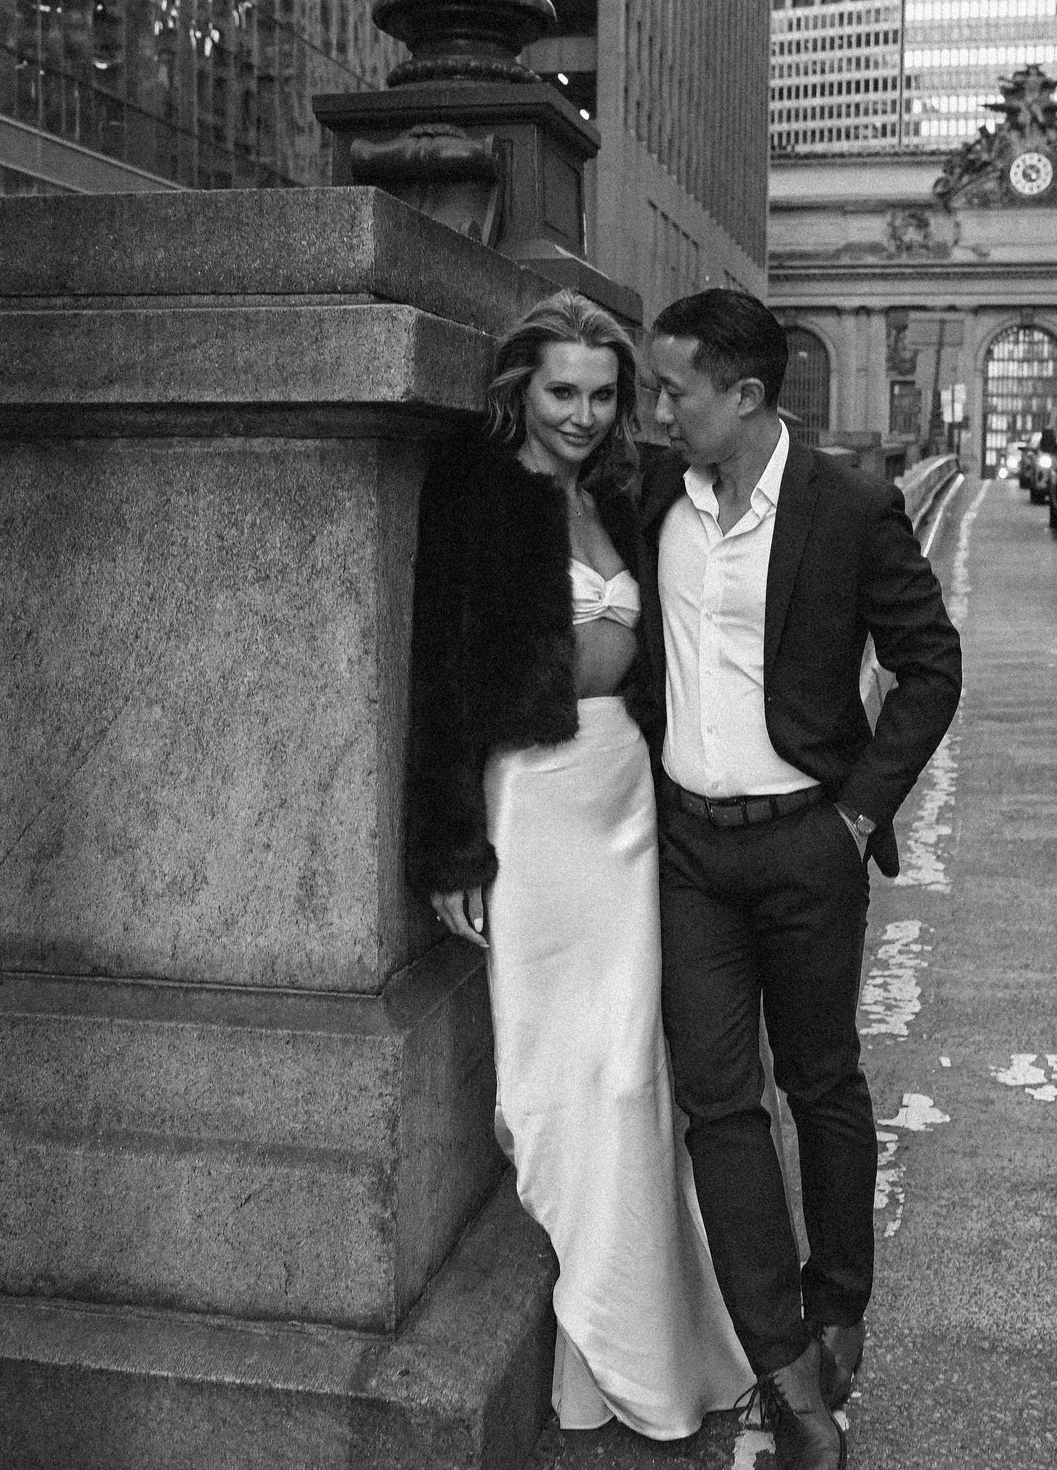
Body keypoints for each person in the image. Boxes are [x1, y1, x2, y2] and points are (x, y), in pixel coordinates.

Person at [404, 289, 754, 1439]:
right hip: (537, 805)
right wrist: (451, 843)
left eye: (605, 396)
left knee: (632, 1067)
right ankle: (604, 1339)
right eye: (563, 391)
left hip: (627, 797)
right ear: (519, 387)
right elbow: (440, 679)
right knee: (567, 1081)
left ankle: (636, 1354)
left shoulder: (621, 489)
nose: (585, 414)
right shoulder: (473, 493)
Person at [633, 289, 962, 1470]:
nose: (654, 409)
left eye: (673, 390)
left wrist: (857, 812)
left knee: (822, 1084)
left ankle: (838, 1308)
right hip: (686, 852)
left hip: (806, 845)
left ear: (746, 397)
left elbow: (929, 665)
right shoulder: (651, 499)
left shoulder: (851, 504)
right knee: (720, 1103)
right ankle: (783, 1370)